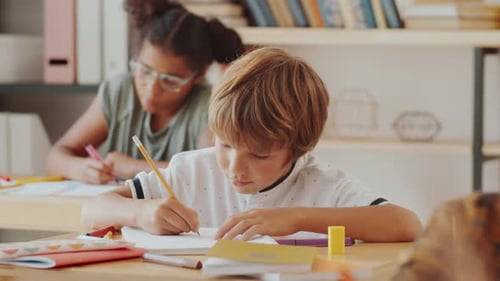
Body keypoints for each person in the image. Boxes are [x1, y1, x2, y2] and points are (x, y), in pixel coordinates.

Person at [81, 47, 423, 242]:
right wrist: (140, 212)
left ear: (298, 149)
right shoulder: (190, 170)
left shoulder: (321, 185)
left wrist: (297, 218)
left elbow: (407, 224)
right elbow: (92, 211)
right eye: (225, 144)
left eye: (259, 154)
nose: (234, 166)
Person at [46, 0, 244, 184]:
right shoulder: (120, 91)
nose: (152, 89)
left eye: (170, 80)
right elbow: (57, 155)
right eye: (145, 71)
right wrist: (79, 168)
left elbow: (211, 172)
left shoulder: (207, 107)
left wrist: (132, 168)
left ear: (198, 76)